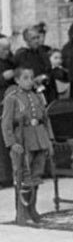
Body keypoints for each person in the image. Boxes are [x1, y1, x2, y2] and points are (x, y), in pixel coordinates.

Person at [2, 67, 54, 225]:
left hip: (38, 138)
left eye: (31, 77)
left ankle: (33, 209)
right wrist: (12, 143)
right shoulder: (12, 98)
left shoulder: (37, 96)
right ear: (17, 80)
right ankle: (22, 212)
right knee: (23, 176)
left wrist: (49, 140)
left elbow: (45, 119)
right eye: (25, 78)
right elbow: (6, 123)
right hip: (22, 140)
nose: (30, 81)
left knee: (36, 175)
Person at [14, 26, 52, 94]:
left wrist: (44, 76)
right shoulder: (21, 55)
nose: (37, 41)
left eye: (38, 37)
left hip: (45, 90)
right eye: (33, 38)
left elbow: (49, 70)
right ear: (26, 40)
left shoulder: (43, 52)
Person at [0, 37, 16, 187]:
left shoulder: (10, 61)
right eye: (3, 49)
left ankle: (11, 175)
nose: (7, 52)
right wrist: (2, 78)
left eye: (8, 49)